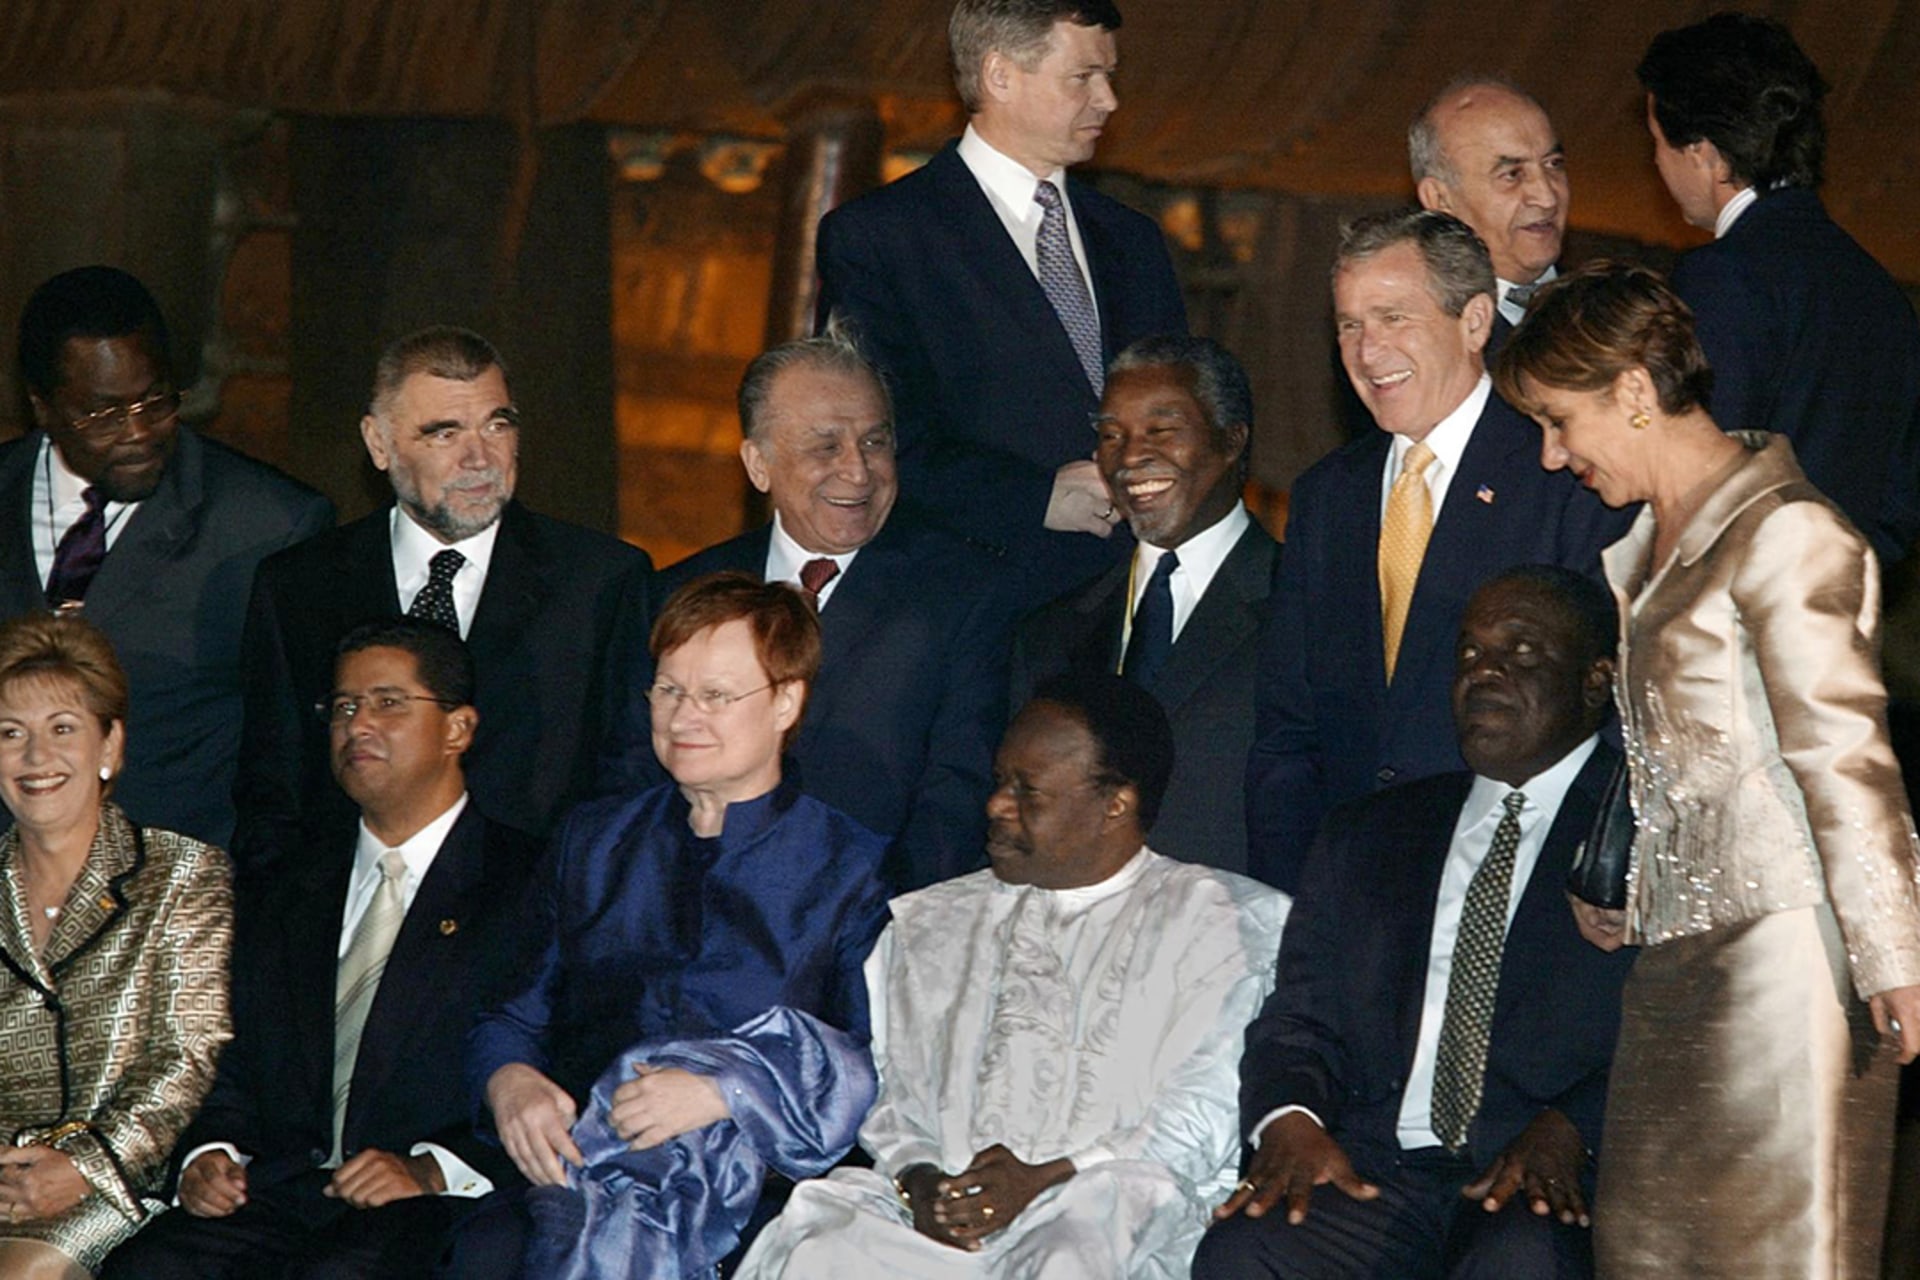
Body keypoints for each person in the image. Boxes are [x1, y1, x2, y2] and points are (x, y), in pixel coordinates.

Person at [1493, 260, 1920, 1277]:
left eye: (1560, 421)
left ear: (1635, 393)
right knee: (1644, 1248)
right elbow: (1700, 766)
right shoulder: (1648, 548)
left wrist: (1896, 954)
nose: (1554, 457)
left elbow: (1845, 758)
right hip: (1673, 968)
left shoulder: (1788, 531)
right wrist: (1635, 889)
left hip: (1788, 970)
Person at [735, 672, 1289, 1279]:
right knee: (823, 1252)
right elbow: (895, 1098)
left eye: (1029, 791)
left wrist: (1043, 1179)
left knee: (1069, 1255)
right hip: (935, 1215)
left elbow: (1198, 1121)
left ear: (1115, 804)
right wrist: (920, 1182)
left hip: (1108, 1209)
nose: (996, 805)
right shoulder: (933, 923)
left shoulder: (1224, 921)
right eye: (1000, 782)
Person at [1195, 566, 1637, 1280]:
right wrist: (1292, 1122)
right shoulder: (1370, 834)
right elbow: (1298, 1022)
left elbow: (1688, 1033)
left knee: (1522, 1260)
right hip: (1376, 1170)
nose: (1484, 672)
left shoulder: (1650, 833)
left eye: (1521, 653)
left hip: (1545, 1176)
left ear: (1596, 680)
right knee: (1250, 1249)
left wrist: (1575, 1127)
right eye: (1469, 654)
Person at [455, 573, 889, 1278]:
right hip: (581, 1168)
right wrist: (510, 1082)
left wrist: (728, 1093)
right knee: (480, 1251)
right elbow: (509, 1012)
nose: (684, 718)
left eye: (716, 695)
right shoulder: (591, 842)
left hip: (761, 1189)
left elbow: (875, 1061)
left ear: (786, 701)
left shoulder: (853, 869)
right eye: (669, 690)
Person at [99, 619, 542, 1279]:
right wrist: (208, 1154)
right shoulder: (287, 882)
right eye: (343, 707)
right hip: (277, 1193)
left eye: (389, 703)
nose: (358, 724)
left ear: (459, 728)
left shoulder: (529, 879)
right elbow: (229, 1052)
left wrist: (432, 1168)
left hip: (431, 1208)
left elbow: (562, 1061)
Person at [1244, 209, 1628, 892]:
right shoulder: (1327, 498)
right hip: (1350, 889)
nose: (1367, 351)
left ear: (1476, 322)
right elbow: (1288, 730)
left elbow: (1616, 699)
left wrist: (1594, 868)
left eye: (1394, 318)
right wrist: (1289, 891)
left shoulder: (1561, 471)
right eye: (1350, 325)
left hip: (1517, 879)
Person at [601, 321, 1009, 890]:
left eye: (875, 441)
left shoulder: (963, 594)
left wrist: (860, 926)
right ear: (758, 463)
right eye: (826, 447)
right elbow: (631, 774)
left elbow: (957, 798)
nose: (858, 470)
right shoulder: (678, 592)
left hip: (870, 930)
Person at [234, 325, 649, 880]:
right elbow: (273, 793)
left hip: (530, 924)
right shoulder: (301, 586)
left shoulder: (601, 583)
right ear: (379, 444)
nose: (480, 458)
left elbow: (625, 786)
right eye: (444, 434)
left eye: (497, 425)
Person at [814, 0, 1187, 607]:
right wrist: (1035, 497)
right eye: (1084, 77)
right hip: (966, 599)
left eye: (1109, 76)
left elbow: (1183, 404)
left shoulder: (1134, 240)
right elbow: (871, 435)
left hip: (1131, 598)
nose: (1108, 100)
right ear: (1000, 76)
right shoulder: (882, 236)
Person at [0, 265, 333, 848]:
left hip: (174, 907)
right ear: (42, 407)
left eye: (156, 400)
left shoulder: (268, 528)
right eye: (104, 413)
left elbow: (294, 767)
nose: (139, 432)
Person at [1637, 13, 1920, 564]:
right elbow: (1898, 505)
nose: (1655, 161)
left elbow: (1694, 476)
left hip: (1730, 620)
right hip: (1839, 623)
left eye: (1656, 141)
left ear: (1703, 152)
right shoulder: (1883, 296)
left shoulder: (1723, 276)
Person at [0, 613, 232, 1278]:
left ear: (111, 746)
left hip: (119, 1184)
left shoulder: (183, 875)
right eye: (11, 734)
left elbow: (188, 1055)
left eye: (62, 729)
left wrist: (84, 1164)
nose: (36, 758)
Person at [1012, 335, 1279, 874]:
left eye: (1162, 431)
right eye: (1112, 435)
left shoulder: (1304, 606)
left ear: (1231, 441)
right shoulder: (1049, 633)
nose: (1131, 456)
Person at [1410, 77, 1568, 352]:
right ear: (1440, 200)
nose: (1547, 197)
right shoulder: (1420, 345)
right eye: (1512, 175)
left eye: (1553, 164)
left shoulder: (1621, 309)